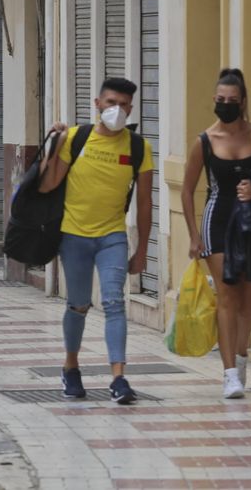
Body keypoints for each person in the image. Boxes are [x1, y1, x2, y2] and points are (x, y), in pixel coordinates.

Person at [38, 76, 153, 406]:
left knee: (115, 302)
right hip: (74, 237)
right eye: (111, 103)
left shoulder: (137, 147)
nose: (117, 110)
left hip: (112, 237)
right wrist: (55, 146)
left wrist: (142, 249)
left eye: (124, 105)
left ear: (131, 109)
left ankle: (118, 377)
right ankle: (71, 367)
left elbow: (145, 203)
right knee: (78, 305)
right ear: (97, 104)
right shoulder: (77, 138)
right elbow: (47, 187)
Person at [181, 68, 251, 400]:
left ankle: (241, 357)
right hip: (217, 222)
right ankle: (229, 374)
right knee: (228, 296)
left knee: (249, 305)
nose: (225, 105)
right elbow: (188, 190)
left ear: (243, 101)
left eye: (232, 101)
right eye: (220, 100)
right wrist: (194, 236)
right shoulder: (204, 141)